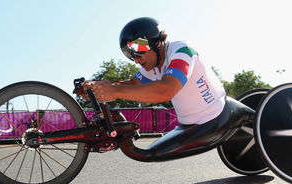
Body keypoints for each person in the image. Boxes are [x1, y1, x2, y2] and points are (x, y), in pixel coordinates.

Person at [82, 17, 226, 125]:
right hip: (188, 124)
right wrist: (98, 87)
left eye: (137, 51)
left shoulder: (182, 51)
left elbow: (165, 90)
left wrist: (116, 91)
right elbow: (132, 84)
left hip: (214, 117)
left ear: (155, 42)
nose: (136, 59)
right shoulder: (154, 63)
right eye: (130, 55)